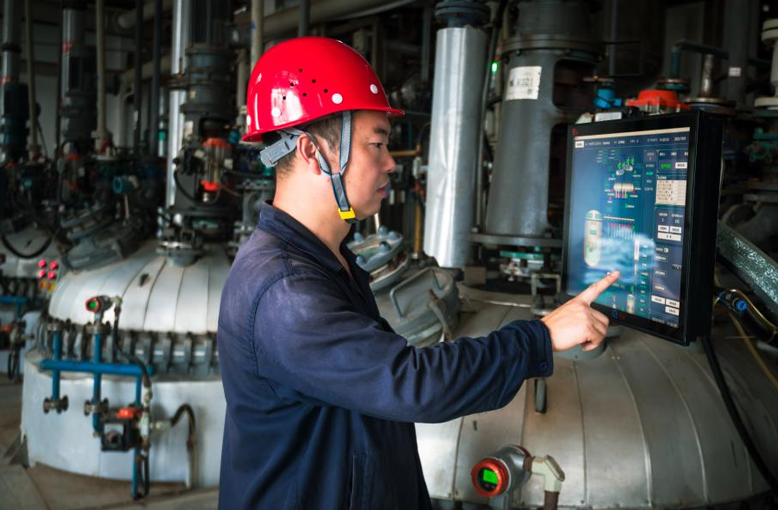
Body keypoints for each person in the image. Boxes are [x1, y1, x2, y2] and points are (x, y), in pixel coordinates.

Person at [217, 36, 619, 510]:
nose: (391, 163)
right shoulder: (285, 290)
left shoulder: (325, 261)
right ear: (311, 151)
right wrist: (540, 337)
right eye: (376, 144)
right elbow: (412, 384)